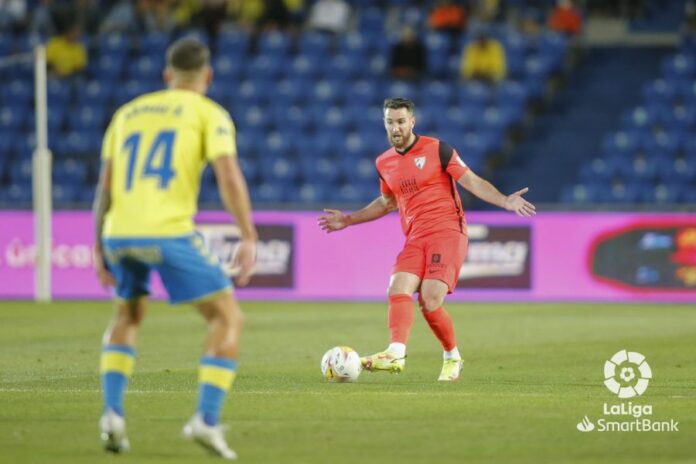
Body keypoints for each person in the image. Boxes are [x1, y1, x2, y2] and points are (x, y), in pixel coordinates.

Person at [93, 38, 257, 460]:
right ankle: (205, 419)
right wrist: (248, 234)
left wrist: (98, 245)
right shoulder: (209, 113)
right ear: (208, 76)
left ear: (167, 76)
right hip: (167, 232)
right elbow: (228, 175)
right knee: (227, 317)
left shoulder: (126, 113)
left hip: (118, 233)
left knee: (127, 314)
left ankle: (112, 414)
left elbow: (105, 187)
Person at [318, 98, 535, 381]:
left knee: (430, 300)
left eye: (400, 121)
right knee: (397, 287)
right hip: (415, 237)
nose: (395, 128)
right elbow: (387, 203)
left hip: (447, 232)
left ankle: (452, 356)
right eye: (389, 122)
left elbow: (471, 181)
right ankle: (395, 353)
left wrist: (505, 201)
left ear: (412, 122)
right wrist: (348, 219)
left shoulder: (438, 150)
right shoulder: (384, 163)